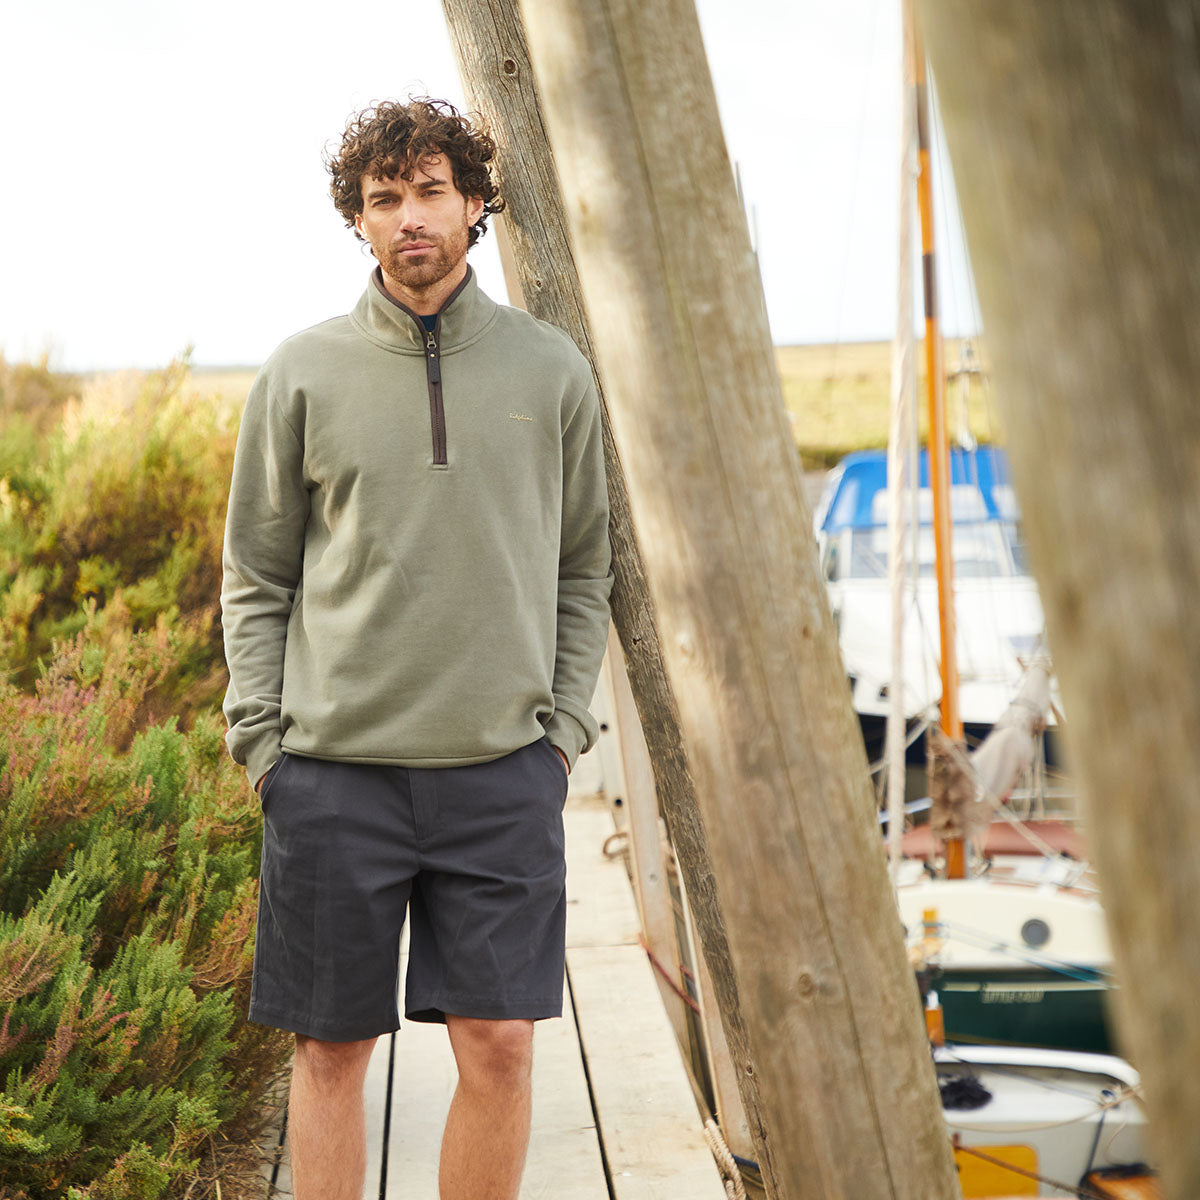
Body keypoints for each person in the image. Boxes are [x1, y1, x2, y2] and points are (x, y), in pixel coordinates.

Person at [220, 97, 613, 1200]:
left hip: (500, 777)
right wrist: (266, 747)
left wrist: (563, 735)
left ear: (477, 203)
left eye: (431, 190)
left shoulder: (552, 372)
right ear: (358, 221)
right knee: (330, 1052)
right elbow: (256, 574)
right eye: (383, 199)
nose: (410, 219)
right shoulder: (301, 374)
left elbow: (585, 567)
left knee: (500, 1048)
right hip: (332, 777)